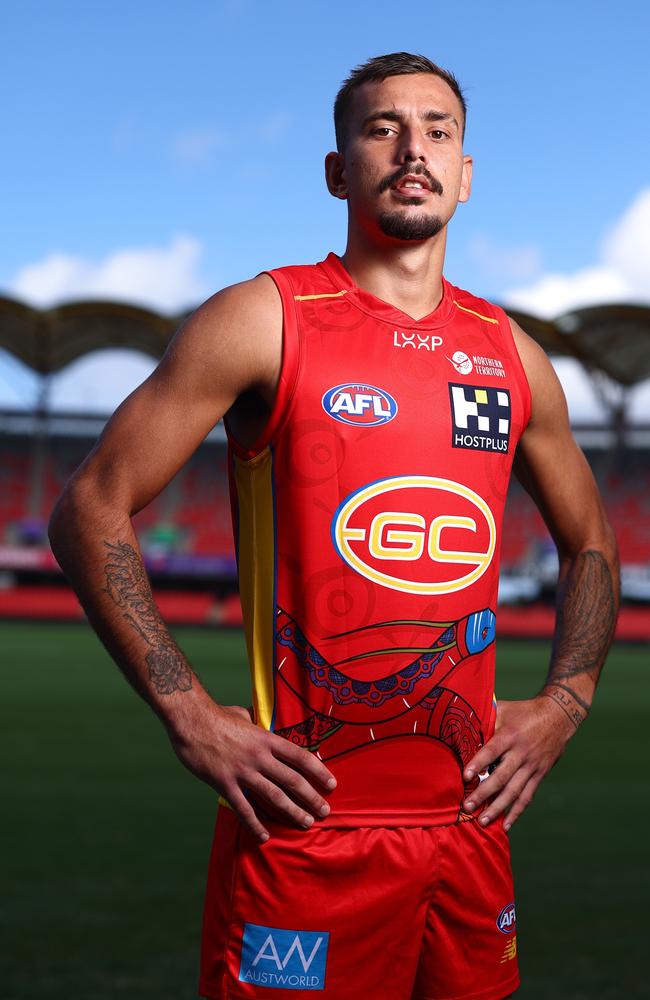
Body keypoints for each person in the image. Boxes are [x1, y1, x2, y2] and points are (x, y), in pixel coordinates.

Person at [49, 52, 619, 1000]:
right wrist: (187, 712)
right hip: (306, 829)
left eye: (439, 130)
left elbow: (593, 542)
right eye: (382, 127)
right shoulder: (264, 319)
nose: (414, 150)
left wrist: (567, 701)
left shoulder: (512, 355)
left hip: (470, 833)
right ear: (337, 168)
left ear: (467, 172)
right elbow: (88, 506)